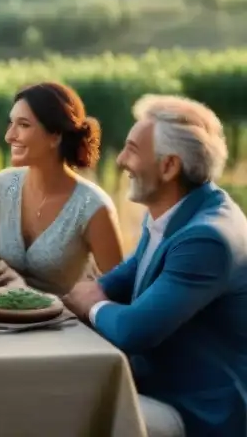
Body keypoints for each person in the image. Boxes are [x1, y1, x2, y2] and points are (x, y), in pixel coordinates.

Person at [64, 95, 247, 437]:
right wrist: (96, 291)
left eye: (132, 149)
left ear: (169, 166)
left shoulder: (206, 239)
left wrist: (92, 304)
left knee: (64, 411)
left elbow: (135, 331)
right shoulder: (179, 210)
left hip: (194, 412)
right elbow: (131, 271)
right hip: (158, 386)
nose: (120, 160)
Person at [0, 82, 123, 295]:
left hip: (67, 325)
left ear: (55, 136)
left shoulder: (93, 206)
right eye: (11, 123)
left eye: (23, 125)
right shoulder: (2, 186)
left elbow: (119, 294)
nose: (9, 136)